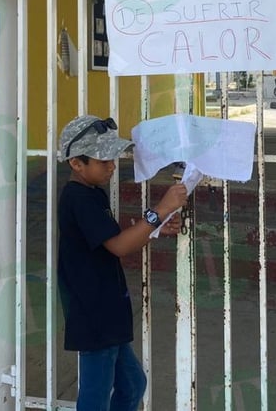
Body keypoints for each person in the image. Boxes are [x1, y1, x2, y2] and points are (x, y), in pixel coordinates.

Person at [57, 114, 188, 411]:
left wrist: (155, 226)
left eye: (112, 158)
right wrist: (160, 209)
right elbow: (118, 246)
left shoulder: (92, 194)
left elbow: (115, 238)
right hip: (94, 313)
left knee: (132, 385)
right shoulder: (79, 199)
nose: (112, 166)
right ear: (77, 163)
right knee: (96, 396)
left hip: (106, 309)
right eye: (103, 161)